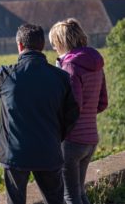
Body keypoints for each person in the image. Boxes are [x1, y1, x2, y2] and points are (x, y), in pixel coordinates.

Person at [0, 24, 79, 204]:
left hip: (15, 155)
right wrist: (55, 137)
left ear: (19, 45)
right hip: (48, 151)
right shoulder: (61, 77)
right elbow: (72, 114)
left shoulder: (7, 75)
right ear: (42, 45)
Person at [49, 18, 108, 204]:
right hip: (90, 138)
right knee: (80, 193)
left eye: (54, 43)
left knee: (70, 196)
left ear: (61, 42)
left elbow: (72, 106)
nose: (53, 48)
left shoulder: (69, 66)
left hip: (72, 140)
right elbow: (102, 103)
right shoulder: (96, 63)